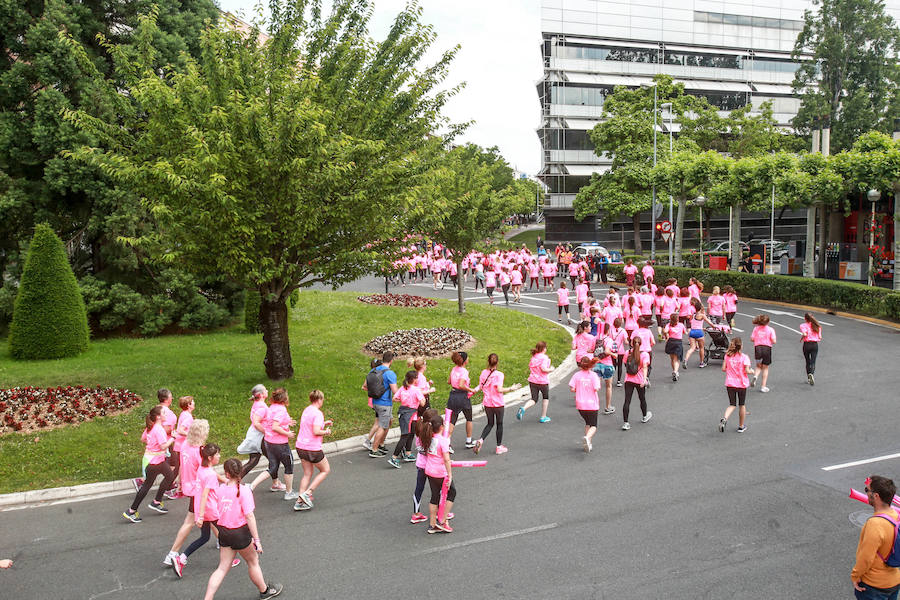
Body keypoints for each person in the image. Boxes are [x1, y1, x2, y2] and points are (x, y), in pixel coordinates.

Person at [201, 459, 283, 600]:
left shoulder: (220, 489)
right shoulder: (244, 491)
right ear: (240, 472)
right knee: (253, 561)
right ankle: (265, 591)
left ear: (226, 474)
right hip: (240, 533)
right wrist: (257, 540)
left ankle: (208, 598)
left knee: (222, 568)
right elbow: (249, 517)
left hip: (224, 532)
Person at [163, 419, 211, 567]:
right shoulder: (200, 452)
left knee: (213, 516)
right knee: (190, 521)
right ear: (203, 434)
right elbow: (207, 473)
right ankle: (172, 553)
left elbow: (183, 467)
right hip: (199, 489)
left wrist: (180, 483)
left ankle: (223, 545)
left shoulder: (185, 445)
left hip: (188, 486)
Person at [173, 443, 226, 578]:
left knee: (205, 537)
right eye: (217, 454)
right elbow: (205, 495)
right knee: (225, 534)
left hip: (202, 508)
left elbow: (209, 480)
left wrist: (225, 480)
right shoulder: (209, 475)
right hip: (210, 510)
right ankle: (227, 561)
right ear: (209, 457)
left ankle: (182, 558)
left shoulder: (202, 469)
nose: (219, 456)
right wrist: (201, 516)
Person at [123, 406, 175, 523]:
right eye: (163, 413)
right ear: (158, 417)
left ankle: (134, 509)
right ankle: (151, 503)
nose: (165, 414)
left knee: (149, 484)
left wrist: (152, 445)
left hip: (150, 460)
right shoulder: (159, 429)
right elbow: (163, 446)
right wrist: (173, 438)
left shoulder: (150, 427)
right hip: (155, 462)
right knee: (168, 477)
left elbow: (143, 439)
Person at [851, 475, 900, 599]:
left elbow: (866, 558)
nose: (866, 493)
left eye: (867, 490)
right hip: (894, 581)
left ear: (876, 496)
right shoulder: (896, 516)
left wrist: (855, 576)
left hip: (874, 586)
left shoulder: (875, 524)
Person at [473, 354, 521, 455]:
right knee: (499, 424)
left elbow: (480, 386)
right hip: (498, 404)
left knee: (490, 423)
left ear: (488, 362)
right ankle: (499, 447)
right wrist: (511, 388)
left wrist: (473, 391)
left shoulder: (483, 373)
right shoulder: (499, 375)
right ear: (497, 362)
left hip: (487, 403)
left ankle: (481, 440)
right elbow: (499, 389)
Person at [293, 390, 332, 511]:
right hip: (312, 448)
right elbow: (316, 431)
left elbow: (309, 425)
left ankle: (299, 501)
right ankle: (307, 493)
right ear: (319, 399)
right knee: (325, 470)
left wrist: (324, 423)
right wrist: (326, 431)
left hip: (301, 446)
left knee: (307, 473)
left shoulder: (307, 410)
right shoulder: (318, 413)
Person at [255, 388, 296, 499]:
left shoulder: (271, 408)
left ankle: (252, 486)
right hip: (280, 443)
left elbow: (273, 422)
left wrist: (288, 422)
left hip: (268, 441)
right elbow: (275, 426)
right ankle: (289, 493)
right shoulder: (281, 410)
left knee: (273, 467)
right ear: (285, 399)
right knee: (289, 465)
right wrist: (287, 434)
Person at [422, 413, 455, 534]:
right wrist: (450, 474)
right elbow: (446, 459)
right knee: (452, 493)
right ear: (442, 427)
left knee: (434, 496)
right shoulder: (443, 441)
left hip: (430, 470)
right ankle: (442, 520)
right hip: (440, 472)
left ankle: (432, 525)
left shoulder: (428, 437)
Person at [363, 352, 398, 458]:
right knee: (382, 426)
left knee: (389, 421)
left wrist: (376, 391)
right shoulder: (390, 373)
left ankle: (381, 444)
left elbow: (365, 385)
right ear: (391, 361)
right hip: (385, 404)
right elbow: (395, 391)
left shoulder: (373, 370)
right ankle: (374, 449)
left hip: (375, 402)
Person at [388, 372, 425, 468]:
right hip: (410, 414)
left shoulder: (403, 388)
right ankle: (394, 457)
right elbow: (422, 403)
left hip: (404, 412)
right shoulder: (416, 390)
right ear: (414, 379)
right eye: (417, 378)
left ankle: (408, 453)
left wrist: (404, 400)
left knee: (412, 433)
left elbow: (394, 398)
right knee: (405, 435)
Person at [718, 337, 754, 433]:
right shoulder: (744, 357)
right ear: (741, 346)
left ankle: (725, 418)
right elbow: (747, 370)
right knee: (741, 405)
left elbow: (723, 368)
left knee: (732, 404)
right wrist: (752, 371)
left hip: (730, 383)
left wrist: (730, 370)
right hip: (741, 384)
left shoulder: (727, 356)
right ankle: (741, 426)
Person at [570, 356, 602, 452]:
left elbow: (572, 388)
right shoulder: (593, 375)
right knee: (594, 425)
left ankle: (589, 443)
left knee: (587, 423)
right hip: (591, 404)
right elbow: (596, 388)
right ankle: (587, 438)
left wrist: (578, 389)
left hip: (580, 404)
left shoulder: (576, 375)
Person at [447, 351, 477, 449]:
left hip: (453, 395)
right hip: (463, 397)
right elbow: (461, 385)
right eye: (467, 358)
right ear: (464, 361)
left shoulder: (454, 369)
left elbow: (449, 381)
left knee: (452, 420)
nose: (468, 359)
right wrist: (470, 389)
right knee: (469, 418)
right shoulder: (464, 371)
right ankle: (468, 441)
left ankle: (447, 443)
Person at [518, 341, 554, 423]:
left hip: (532, 380)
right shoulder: (544, 358)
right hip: (542, 381)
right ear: (544, 349)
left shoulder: (534, 357)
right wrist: (551, 369)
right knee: (545, 398)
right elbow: (543, 369)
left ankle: (524, 408)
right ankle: (543, 416)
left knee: (534, 399)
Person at [241, 385, 270, 482]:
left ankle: (234, 481)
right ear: (261, 395)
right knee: (273, 460)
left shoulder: (256, 403)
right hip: (259, 437)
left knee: (254, 461)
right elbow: (256, 423)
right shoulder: (262, 407)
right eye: (265, 390)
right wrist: (267, 432)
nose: (267, 391)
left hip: (255, 434)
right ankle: (276, 483)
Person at [167, 395, 195, 499]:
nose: (194, 403)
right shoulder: (188, 417)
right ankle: (177, 488)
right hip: (183, 445)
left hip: (179, 444)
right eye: (193, 402)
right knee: (181, 468)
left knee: (180, 466)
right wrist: (192, 435)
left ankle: (176, 486)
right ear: (189, 405)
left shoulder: (184, 414)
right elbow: (181, 430)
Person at [621, 337, 651, 431]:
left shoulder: (627, 353)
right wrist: (645, 379)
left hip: (628, 379)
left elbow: (625, 364)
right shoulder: (644, 354)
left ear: (632, 343)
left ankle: (626, 423)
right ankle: (644, 416)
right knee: (642, 398)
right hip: (639, 380)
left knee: (627, 401)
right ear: (641, 343)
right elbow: (645, 367)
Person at [684, 298, 714, 368]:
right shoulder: (702, 315)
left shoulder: (693, 315)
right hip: (699, 333)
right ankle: (701, 362)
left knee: (692, 348)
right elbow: (709, 322)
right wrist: (714, 326)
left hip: (692, 332)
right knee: (701, 348)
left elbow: (694, 324)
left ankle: (686, 359)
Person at [750, 315, 777, 393]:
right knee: (765, 368)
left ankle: (755, 376)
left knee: (758, 366)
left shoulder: (756, 329)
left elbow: (752, 339)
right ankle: (763, 386)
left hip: (757, 348)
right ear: (768, 322)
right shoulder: (771, 329)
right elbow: (774, 341)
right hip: (767, 349)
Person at [800, 312, 822, 386]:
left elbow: (805, 334)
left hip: (807, 345)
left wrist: (803, 337)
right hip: (814, 345)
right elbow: (820, 337)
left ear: (805, 318)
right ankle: (811, 374)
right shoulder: (817, 326)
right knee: (813, 361)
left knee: (807, 361)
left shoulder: (803, 325)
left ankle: (809, 378)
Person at [664, 315, 685, 382]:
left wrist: (667, 335)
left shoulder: (669, 325)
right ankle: (675, 372)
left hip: (671, 341)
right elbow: (685, 332)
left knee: (672, 358)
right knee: (676, 359)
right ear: (677, 319)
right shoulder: (681, 325)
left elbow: (665, 331)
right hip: (678, 342)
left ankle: (674, 371)